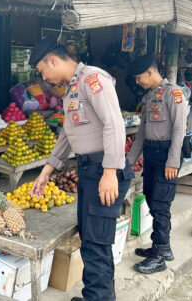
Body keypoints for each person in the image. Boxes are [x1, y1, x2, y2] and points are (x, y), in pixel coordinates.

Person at [29, 36, 134, 301]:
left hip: (103, 170)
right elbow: (68, 133)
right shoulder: (73, 87)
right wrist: (47, 169)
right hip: (90, 170)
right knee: (91, 241)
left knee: (96, 244)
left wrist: (110, 171)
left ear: (53, 60)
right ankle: (97, 297)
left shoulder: (92, 80)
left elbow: (114, 124)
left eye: (44, 71)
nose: (46, 79)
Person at [126, 54, 188, 274]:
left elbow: (180, 128)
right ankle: (162, 247)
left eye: (138, 77)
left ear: (150, 72)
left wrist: (172, 160)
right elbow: (142, 131)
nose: (137, 82)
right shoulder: (149, 97)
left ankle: (159, 257)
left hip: (166, 156)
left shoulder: (174, 93)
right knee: (152, 200)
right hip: (152, 154)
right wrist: (130, 161)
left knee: (161, 205)